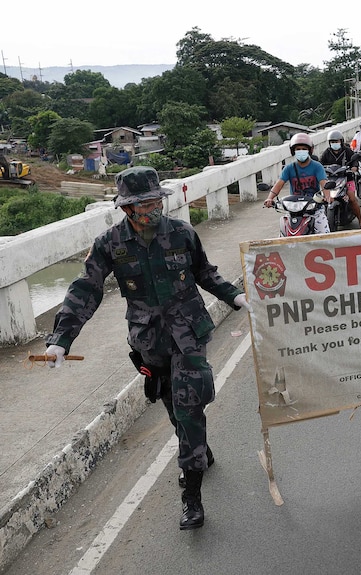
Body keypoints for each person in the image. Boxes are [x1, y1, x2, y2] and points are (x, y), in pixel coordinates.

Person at [44, 166, 252, 530]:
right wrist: (61, 339)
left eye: (156, 201)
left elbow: (205, 272)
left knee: (189, 407)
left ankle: (192, 495)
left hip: (188, 334)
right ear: (127, 208)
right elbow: (85, 289)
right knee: (173, 407)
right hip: (149, 341)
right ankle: (198, 448)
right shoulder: (110, 243)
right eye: (143, 204)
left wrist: (234, 295)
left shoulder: (182, 233)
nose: (152, 209)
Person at [263, 133, 331, 233]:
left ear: (310, 150)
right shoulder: (289, 168)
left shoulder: (317, 167)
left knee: (324, 234)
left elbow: (324, 183)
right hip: (294, 209)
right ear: (293, 151)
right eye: (298, 149)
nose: (301, 151)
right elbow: (279, 184)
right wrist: (270, 198)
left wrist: (327, 197)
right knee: (283, 234)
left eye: (304, 148)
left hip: (314, 208)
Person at [319, 129, 361, 229]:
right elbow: (320, 164)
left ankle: (360, 220)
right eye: (332, 142)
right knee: (321, 199)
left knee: (352, 199)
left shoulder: (347, 151)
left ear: (341, 141)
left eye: (336, 141)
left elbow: (354, 160)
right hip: (331, 180)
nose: (334, 144)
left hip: (347, 178)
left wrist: (354, 167)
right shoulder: (327, 153)